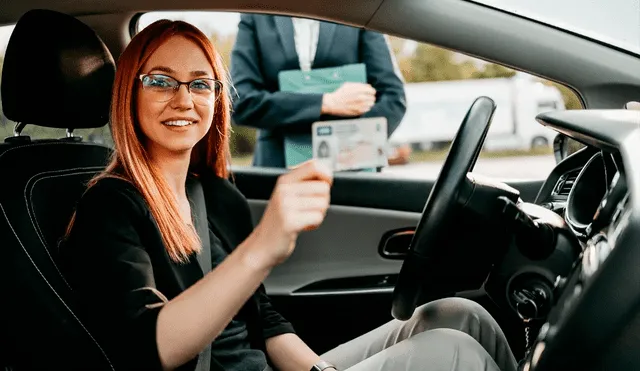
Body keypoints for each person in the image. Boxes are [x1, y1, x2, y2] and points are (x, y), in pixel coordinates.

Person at [59, 19, 518, 371]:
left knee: (458, 315)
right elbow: (147, 349)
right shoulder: (109, 206)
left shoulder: (216, 197)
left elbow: (262, 320)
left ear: (217, 98)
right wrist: (261, 249)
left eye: (201, 83)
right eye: (160, 80)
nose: (184, 99)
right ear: (128, 93)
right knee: (451, 350)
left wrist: (320, 369)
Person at [229, 14, 406, 168]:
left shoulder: (358, 9)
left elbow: (393, 97)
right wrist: (326, 103)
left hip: (353, 167)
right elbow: (240, 101)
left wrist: (353, 145)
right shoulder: (257, 13)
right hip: (276, 168)